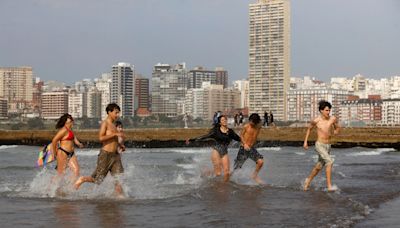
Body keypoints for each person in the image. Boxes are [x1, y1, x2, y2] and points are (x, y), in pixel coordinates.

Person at [74, 103, 125, 197]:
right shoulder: (105, 123)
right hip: (105, 155)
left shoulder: (114, 125)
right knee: (98, 180)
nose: (117, 115)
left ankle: (120, 200)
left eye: (118, 113)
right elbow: (101, 138)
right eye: (116, 113)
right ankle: (83, 179)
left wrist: (120, 145)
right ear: (109, 112)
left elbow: (113, 140)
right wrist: (115, 135)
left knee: (118, 179)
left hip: (116, 156)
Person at [186, 115, 241, 182]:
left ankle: (225, 186)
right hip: (216, 151)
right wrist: (192, 140)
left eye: (225, 119)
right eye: (223, 120)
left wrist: (245, 143)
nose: (225, 121)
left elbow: (239, 139)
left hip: (224, 152)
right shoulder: (216, 131)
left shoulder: (230, 132)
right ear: (220, 123)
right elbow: (205, 137)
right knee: (218, 173)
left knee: (227, 172)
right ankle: (205, 174)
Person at [303, 100, 340, 191]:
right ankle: (329, 186)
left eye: (329, 110)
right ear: (321, 111)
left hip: (328, 146)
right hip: (319, 145)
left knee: (319, 166)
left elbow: (338, 127)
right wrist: (305, 142)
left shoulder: (333, 119)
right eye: (327, 110)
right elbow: (309, 129)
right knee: (330, 161)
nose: (328, 112)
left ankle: (308, 181)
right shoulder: (316, 120)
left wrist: (336, 131)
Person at [233, 113, 264, 184]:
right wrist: (245, 144)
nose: (251, 123)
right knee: (237, 167)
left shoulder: (258, 127)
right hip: (243, 148)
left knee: (260, 162)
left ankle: (254, 175)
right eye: (250, 121)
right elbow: (241, 135)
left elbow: (261, 122)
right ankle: (229, 179)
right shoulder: (246, 126)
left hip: (251, 148)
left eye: (253, 122)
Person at [51, 114, 84, 181]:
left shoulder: (70, 129)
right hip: (63, 153)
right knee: (60, 174)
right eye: (69, 118)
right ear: (65, 121)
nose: (71, 119)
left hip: (71, 154)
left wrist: (78, 143)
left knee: (76, 171)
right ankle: (50, 189)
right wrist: (54, 153)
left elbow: (73, 137)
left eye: (71, 118)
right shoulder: (63, 130)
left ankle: (68, 189)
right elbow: (54, 140)